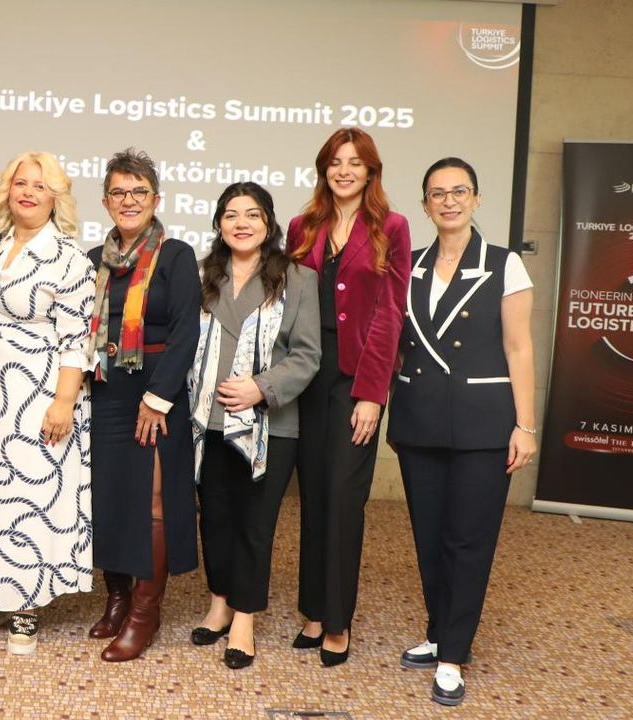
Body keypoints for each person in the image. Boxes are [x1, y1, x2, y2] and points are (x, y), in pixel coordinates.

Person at [390, 158, 535, 706]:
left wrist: (526, 425)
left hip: (484, 424)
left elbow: (519, 348)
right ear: (425, 205)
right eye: (438, 193)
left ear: (476, 199)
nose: (448, 201)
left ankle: (453, 654)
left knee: (468, 540)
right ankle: (437, 632)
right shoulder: (409, 265)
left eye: (459, 191)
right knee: (429, 537)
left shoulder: (503, 264)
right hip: (420, 419)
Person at [0, 152, 95, 655]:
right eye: (21, 183)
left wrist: (64, 402)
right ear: (7, 191)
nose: (29, 192)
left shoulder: (69, 258)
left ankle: (26, 606)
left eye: (41, 186)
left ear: (55, 198)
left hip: (40, 395)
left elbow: (76, 340)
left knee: (31, 500)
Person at [287, 127, 410, 666]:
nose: (344, 171)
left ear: (370, 171)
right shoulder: (302, 226)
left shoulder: (391, 227)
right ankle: (314, 612)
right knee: (313, 496)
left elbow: (390, 312)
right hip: (305, 376)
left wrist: (372, 394)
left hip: (355, 381)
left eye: (354, 163)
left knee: (343, 498)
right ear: (324, 169)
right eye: (335, 162)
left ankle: (338, 621)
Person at [187, 182, 320, 669]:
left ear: (269, 223)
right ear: (219, 224)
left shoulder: (298, 279)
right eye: (231, 215)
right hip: (207, 419)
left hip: (270, 425)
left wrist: (261, 388)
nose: (241, 223)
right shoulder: (202, 274)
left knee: (254, 523)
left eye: (252, 214)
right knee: (214, 517)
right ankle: (219, 603)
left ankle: (243, 618)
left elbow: (307, 355)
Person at [85, 148, 201, 663]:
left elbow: (186, 331)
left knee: (152, 502)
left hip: (155, 391)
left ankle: (143, 614)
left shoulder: (176, 256)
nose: (128, 200)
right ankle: (116, 598)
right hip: (104, 388)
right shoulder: (93, 259)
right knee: (107, 496)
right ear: (105, 201)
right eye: (119, 192)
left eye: (139, 192)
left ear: (156, 199)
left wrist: (159, 399)